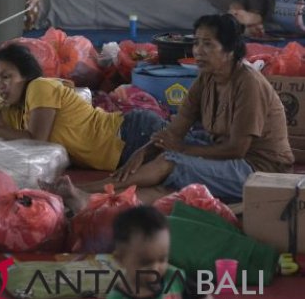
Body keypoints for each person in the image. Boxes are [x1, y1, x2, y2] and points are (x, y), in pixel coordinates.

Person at [50, 14, 294, 212]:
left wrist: (181, 150)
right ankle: (92, 204)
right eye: (197, 42)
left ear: (230, 50)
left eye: (208, 44)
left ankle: (87, 190)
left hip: (258, 170)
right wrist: (144, 150)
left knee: (171, 160)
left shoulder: (248, 84)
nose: (197, 50)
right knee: (168, 186)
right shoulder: (206, 78)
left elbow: (237, 149)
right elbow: (175, 130)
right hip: (226, 156)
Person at [0, 42, 167, 175]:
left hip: (132, 134)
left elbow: (37, 140)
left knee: (189, 163)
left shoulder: (39, 86)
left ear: (27, 75)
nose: (1, 85)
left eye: (7, 77)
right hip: (120, 153)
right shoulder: (15, 111)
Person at [104, 206, 213, 299]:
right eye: (145, 263)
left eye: (162, 259)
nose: (156, 268)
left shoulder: (173, 277)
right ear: (120, 259)